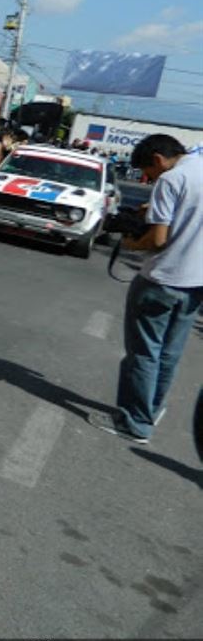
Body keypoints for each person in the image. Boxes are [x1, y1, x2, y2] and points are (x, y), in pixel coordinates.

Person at [91, 135, 203, 445]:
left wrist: (129, 244)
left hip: (162, 279)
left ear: (157, 159)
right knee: (169, 354)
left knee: (143, 353)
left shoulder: (172, 179)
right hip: (196, 283)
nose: (149, 179)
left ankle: (135, 422)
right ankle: (151, 410)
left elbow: (157, 240)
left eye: (148, 174)